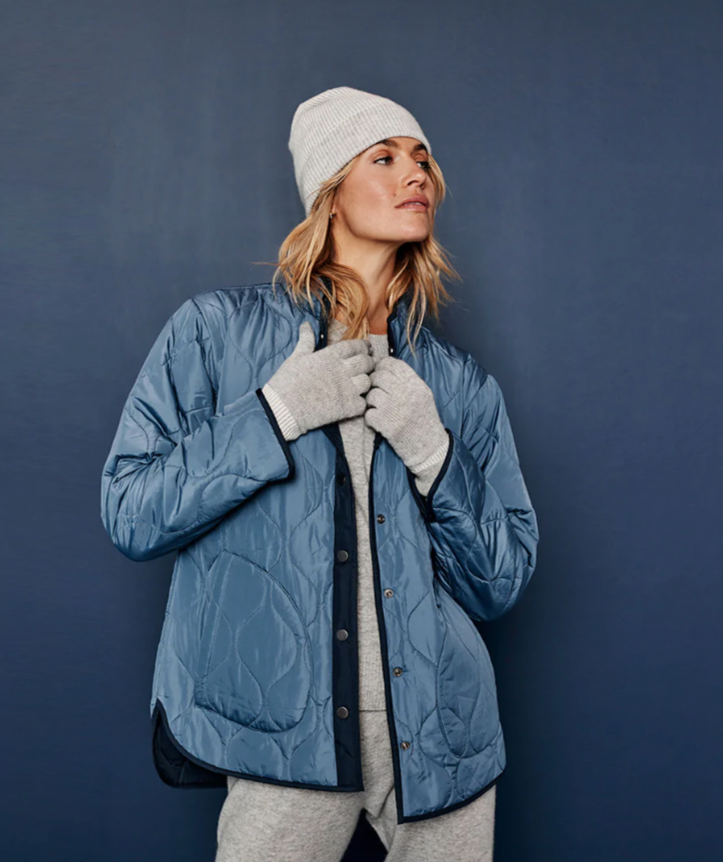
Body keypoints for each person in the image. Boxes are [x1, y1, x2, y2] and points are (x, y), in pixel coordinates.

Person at [100, 86, 539, 861]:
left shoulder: (457, 383)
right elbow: (131, 511)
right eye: (385, 158)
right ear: (331, 191)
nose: (417, 174)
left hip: (443, 738)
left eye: (422, 159)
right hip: (288, 739)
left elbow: (499, 583)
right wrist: (274, 412)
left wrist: (433, 452)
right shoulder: (215, 334)